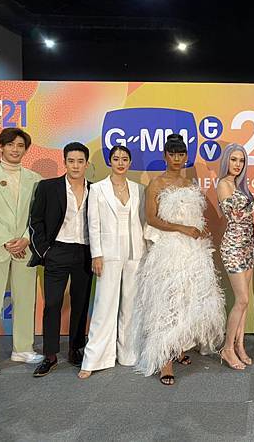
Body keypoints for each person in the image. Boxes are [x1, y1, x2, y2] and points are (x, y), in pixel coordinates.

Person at [131, 134, 225, 385]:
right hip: (169, 251)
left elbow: (196, 217)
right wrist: (182, 229)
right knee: (167, 303)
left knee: (187, 300)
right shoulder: (156, 184)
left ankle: (179, 347)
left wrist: (197, 231)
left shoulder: (189, 184)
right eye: (172, 154)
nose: (176, 158)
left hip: (193, 252)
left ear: (186, 157)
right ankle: (165, 360)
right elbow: (152, 218)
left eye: (181, 154)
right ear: (165, 156)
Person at [0, 128, 43, 376]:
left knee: (25, 299)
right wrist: (6, 240)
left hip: (25, 247)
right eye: (11, 145)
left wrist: (25, 238)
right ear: (1, 147)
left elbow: (37, 214)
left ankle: (23, 348)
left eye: (20, 146)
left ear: (26, 150)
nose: (15, 149)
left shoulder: (35, 179)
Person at [77, 146, 146, 379]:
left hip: (135, 252)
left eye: (125, 159)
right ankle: (95, 359)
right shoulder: (97, 189)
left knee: (131, 305)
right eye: (116, 159)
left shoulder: (138, 189)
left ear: (130, 162)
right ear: (110, 161)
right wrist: (96, 254)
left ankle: (129, 354)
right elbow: (93, 224)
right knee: (104, 305)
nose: (120, 162)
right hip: (108, 254)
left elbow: (142, 222)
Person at [29, 142, 93, 377]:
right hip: (56, 251)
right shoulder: (48, 187)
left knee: (80, 303)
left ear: (86, 164)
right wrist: (44, 251)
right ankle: (50, 355)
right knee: (53, 303)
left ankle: (76, 349)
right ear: (64, 162)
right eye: (71, 161)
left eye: (80, 161)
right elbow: (35, 221)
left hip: (84, 253)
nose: (75, 166)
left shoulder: (96, 190)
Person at [216, 143, 254, 369]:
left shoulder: (240, 186)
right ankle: (227, 349)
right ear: (226, 161)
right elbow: (235, 216)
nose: (237, 164)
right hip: (233, 247)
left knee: (244, 303)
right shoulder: (223, 184)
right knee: (241, 299)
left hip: (247, 246)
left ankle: (239, 346)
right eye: (234, 159)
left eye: (241, 160)